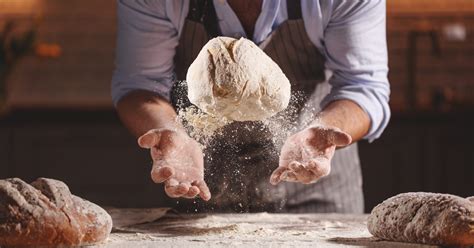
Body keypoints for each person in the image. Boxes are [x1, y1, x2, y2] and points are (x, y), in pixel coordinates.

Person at [112, 0, 390, 213]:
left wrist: (323, 131)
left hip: (313, 185)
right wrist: (168, 131)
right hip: (196, 185)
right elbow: (141, 85)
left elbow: (362, 87)